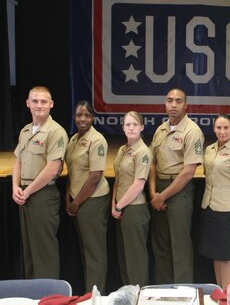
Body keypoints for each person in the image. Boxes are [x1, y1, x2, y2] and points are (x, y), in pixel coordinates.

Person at [148, 88, 204, 283]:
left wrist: (161, 197)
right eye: (170, 100)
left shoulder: (192, 131)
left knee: (180, 245)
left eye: (178, 101)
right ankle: (163, 289)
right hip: (159, 188)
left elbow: (189, 171)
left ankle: (183, 290)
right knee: (161, 245)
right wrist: (154, 193)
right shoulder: (160, 130)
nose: (173, 105)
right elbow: (152, 162)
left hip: (179, 191)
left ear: (185, 105)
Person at [12, 86, 68, 279]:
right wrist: (15, 187)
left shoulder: (56, 132)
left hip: (42, 195)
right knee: (29, 250)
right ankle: (33, 297)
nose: (39, 105)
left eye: (44, 101)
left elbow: (52, 168)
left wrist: (27, 193)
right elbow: (18, 161)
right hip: (24, 194)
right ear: (28, 104)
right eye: (35, 101)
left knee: (44, 251)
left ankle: (48, 298)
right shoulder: (25, 131)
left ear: (51, 104)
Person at [199, 114, 230, 289]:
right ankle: (220, 291)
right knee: (216, 253)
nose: (222, 131)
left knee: (227, 255)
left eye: (226, 127)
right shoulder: (210, 149)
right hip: (210, 206)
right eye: (219, 128)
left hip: (228, 210)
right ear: (214, 129)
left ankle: (228, 294)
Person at [65, 101, 110, 292]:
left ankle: (95, 296)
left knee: (94, 252)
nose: (82, 119)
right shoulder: (74, 139)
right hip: (77, 199)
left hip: (92, 200)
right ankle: (87, 293)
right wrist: (68, 197)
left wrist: (75, 203)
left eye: (87, 115)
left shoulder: (97, 140)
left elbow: (95, 177)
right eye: (79, 115)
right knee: (85, 251)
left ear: (93, 118)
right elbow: (72, 172)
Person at [112, 111, 151, 286]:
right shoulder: (122, 150)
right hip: (120, 209)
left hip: (134, 210)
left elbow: (138, 185)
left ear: (142, 127)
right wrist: (114, 204)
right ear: (123, 128)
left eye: (135, 124)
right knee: (123, 258)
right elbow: (118, 179)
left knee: (136, 260)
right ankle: (127, 295)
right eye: (128, 124)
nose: (131, 127)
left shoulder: (143, 152)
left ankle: (138, 297)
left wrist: (119, 207)